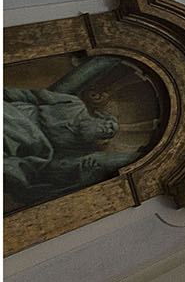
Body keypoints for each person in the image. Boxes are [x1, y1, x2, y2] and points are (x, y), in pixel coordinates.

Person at [3, 82, 137, 207]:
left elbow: (56, 166)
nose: (107, 130)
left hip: (24, 144)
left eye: (108, 133)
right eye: (108, 125)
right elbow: (34, 95)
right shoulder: (74, 104)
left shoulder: (76, 148)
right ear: (99, 117)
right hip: (15, 116)